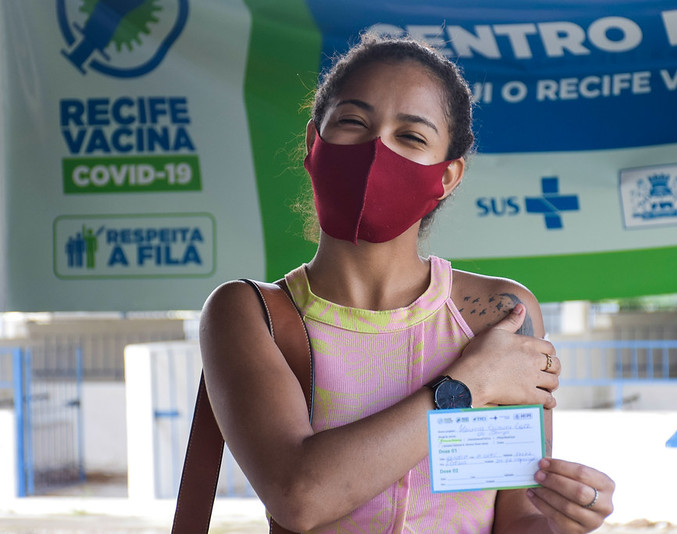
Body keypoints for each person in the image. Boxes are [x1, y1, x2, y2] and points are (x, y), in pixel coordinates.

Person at [200, 33, 615, 534]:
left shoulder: (500, 313)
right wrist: (468, 385)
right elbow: (300, 495)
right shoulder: (251, 314)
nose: (378, 151)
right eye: (354, 122)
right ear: (314, 144)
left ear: (447, 176)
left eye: (411, 136)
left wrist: (564, 519)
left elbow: (515, 515)